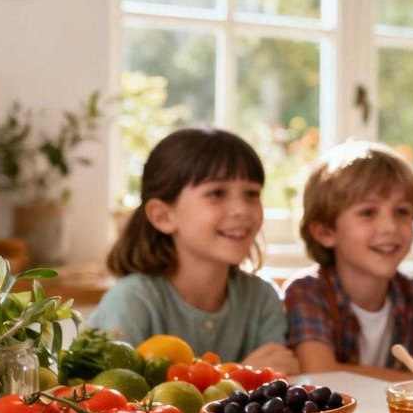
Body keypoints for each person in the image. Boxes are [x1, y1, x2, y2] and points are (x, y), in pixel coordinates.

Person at [91, 128, 298, 373]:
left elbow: (278, 380)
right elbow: (117, 398)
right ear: (163, 216)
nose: (241, 209)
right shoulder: (131, 301)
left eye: (252, 194)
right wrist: (238, 375)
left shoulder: (262, 299)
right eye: (217, 193)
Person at [283, 140, 413, 380]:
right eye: (368, 212)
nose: (390, 226)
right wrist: (407, 380)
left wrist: (339, 368)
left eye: (402, 211)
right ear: (325, 232)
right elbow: (320, 373)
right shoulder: (306, 291)